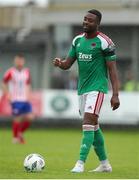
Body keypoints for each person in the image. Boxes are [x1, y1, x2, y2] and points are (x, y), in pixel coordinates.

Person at [53, 9, 120, 173]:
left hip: (97, 89)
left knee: (88, 123)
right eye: (85, 19)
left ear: (97, 24)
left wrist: (115, 94)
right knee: (94, 127)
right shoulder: (77, 41)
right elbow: (68, 64)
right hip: (82, 90)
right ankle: (105, 164)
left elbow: (112, 70)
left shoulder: (104, 42)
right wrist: (59, 63)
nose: (86, 22)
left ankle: (80, 163)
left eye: (90, 20)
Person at [2, 54, 34, 144]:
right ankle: (15, 138)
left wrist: (28, 95)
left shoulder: (26, 71)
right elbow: (4, 83)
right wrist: (7, 94)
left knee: (30, 117)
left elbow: (28, 84)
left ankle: (20, 132)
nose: (19, 62)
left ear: (23, 61)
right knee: (17, 118)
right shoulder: (10, 72)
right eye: (17, 60)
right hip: (15, 99)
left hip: (25, 99)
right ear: (15, 61)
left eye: (21, 60)